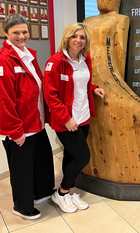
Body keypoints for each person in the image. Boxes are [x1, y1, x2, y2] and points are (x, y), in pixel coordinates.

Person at [0, 13, 55, 220]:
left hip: (35, 123)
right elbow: (4, 101)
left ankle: (39, 193)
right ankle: (23, 206)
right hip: (18, 129)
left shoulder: (28, 56)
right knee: (22, 170)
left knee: (41, 161)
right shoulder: (1, 61)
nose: (21, 36)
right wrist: (16, 131)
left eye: (24, 31)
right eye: (16, 32)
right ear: (6, 33)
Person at [44, 22, 105, 213]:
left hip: (84, 116)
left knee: (71, 155)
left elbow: (81, 84)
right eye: (75, 36)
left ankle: (70, 191)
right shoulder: (55, 62)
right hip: (66, 121)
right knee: (83, 157)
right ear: (67, 38)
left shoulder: (86, 60)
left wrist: (94, 89)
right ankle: (61, 193)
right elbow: (50, 95)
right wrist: (65, 118)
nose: (78, 40)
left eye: (82, 37)